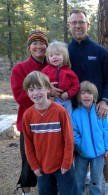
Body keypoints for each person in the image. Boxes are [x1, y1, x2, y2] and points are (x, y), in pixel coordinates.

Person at [68, 9, 108, 195]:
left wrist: (104, 100)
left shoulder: (99, 51)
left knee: (103, 147)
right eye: (74, 22)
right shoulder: (66, 52)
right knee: (78, 144)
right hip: (74, 110)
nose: (78, 25)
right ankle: (85, 175)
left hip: (98, 109)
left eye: (81, 22)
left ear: (88, 24)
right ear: (70, 25)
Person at [22, 71, 76, 195]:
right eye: (31, 90)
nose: (35, 93)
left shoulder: (60, 111)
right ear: (27, 92)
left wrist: (67, 162)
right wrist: (34, 166)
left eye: (39, 88)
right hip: (42, 167)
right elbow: (28, 144)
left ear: (47, 88)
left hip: (63, 165)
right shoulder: (28, 115)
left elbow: (69, 139)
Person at [11, 30, 49, 195]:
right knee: (28, 161)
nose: (39, 46)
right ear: (29, 47)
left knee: (50, 159)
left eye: (42, 43)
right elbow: (20, 97)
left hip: (51, 122)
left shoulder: (53, 66)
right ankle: (25, 192)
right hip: (29, 124)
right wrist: (45, 95)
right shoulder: (20, 68)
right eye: (35, 43)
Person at [71, 81, 108, 195]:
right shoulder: (75, 114)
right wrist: (80, 145)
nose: (86, 95)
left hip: (99, 154)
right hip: (81, 154)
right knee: (79, 180)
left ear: (94, 96)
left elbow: (107, 131)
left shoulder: (100, 112)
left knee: (96, 181)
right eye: (83, 93)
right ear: (79, 97)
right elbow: (74, 133)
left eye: (89, 93)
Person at [42, 40, 80, 115]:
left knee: (68, 118)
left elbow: (76, 85)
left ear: (64, 56)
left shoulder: (69, 72)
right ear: (48, 58)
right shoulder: (46, 70)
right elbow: (40, 83)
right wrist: (48, 91)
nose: (54, 57)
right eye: (51, 55)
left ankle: (68, 127)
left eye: (57, 54)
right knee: (53, 118)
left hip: (66, 100)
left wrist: (68, 94)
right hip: (51, 99)